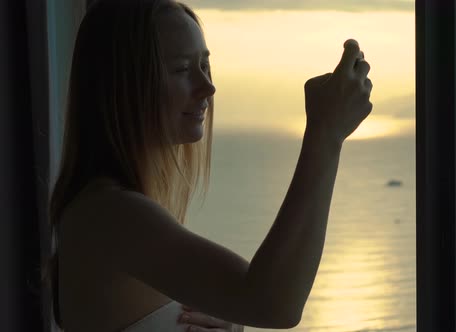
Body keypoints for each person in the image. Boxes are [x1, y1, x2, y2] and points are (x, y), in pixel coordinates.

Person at [43, 0, 373, 331]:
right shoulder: (110, 214)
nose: (208, 87)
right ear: (122, 84)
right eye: (182, 70)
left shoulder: (108, 208)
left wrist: (231, 322)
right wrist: (325, 134)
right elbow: (274, 303)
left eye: (205, 66)